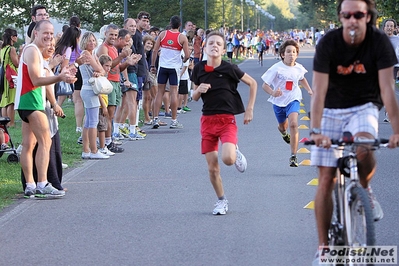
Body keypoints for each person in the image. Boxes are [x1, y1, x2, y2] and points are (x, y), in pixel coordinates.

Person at [310, 0, 399, 264]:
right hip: (330, 109)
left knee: (365, 144)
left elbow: (387, 89)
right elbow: (319, 91)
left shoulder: (379, 42)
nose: (352, 19)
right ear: (340, 17)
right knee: (326, 178)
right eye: (346, 15)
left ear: (368, 16)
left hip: (365, 106)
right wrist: (316, 131)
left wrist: (396, 130)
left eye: (358, 14)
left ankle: (365, 188)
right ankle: (324, 248)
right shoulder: (328, 43)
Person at [191, 31, 257, 215]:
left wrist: (249, 109)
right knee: (213, 168)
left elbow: (253, 83)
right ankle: (221, 200)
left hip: (227, 120)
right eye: (211, 42)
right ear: (204, 46)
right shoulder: (198, 69)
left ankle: (234, 150)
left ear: (223, 49)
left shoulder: (230, 68)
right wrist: (199, 91)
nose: (214, 46)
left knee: (227, 159)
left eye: (218, 44)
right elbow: (194, 96)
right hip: (207, 121)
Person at [15, 20, 75, 197]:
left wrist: (60, 76)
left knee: (29, 144)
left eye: (51, 33)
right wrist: (60, 78)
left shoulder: (35, 52)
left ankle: (30, 185)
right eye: (45, 33)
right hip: (31, 102)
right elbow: (36, 80)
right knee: (45, 141)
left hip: (27, 102)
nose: (49, 37)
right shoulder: (32, 50)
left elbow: (42, 77)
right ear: (36, 33)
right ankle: (42, 183)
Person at [261, 39, 313, 167]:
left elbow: (302, 78)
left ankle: (293, 156)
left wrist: (309, 89)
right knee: (283, 127)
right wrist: (273, 93)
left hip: (293, 99)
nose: (291, 54)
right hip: (278, 102)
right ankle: (284, 133)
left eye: (294, 52)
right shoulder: (276, 68)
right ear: (283, 54)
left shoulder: (299, 68)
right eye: (288, 52)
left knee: (294, 124)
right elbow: (264, 85)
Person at [151, 15, 190, 129]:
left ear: (170, 23)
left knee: (159, 93)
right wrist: (183, 60)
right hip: (174, 68)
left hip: (162, 67)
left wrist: (153, 65)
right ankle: (174, 120)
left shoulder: (163, 34)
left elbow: (154, 50)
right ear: (180, 25)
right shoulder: (182, 37)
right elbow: (187, 55)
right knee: (174, 93)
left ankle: (155, 119)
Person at [79, 31, 110, 159]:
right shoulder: (86, 54)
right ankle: (94, 150)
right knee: (93, 121)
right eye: (89, 40)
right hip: (89, 88)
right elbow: (99, 68)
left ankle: (86, 150)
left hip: (90, 89)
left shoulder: (92, 53)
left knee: (88, 121)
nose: (92, 43)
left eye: (93, 40)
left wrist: (100, 71)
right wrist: (99, 71)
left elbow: (101, 70)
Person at [0, 28, 19, 127]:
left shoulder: (2, 49)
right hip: (11, 77)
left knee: (5, 101)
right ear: (12, 37)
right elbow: (16, 64)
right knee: (11, 101)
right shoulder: (11, 49)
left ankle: (4, 122)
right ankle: (11, 123)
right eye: (16, 36)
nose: (17, 37)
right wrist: (21, 54)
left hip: (4, 76)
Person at [382, 18, 399, 123]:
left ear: (394, 28)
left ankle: (388, 113)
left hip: (393, 67)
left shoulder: (397, 39)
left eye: (391, 26)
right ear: (384, 27)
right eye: (387, 26)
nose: (389, 28)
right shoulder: (379, 39)